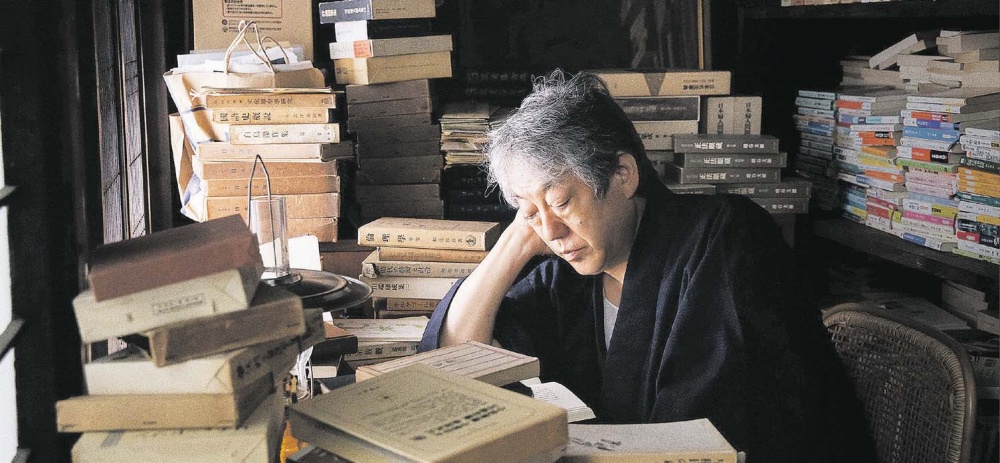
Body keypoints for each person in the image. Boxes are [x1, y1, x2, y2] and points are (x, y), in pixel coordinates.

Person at [419, 70, 876, 462]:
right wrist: (514, 244)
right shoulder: (568, 272)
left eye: (560, 202)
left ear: (623, 174)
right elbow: (456, 361)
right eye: (528, 211)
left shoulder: (726, 239)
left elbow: (700, 433)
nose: (551, 232)